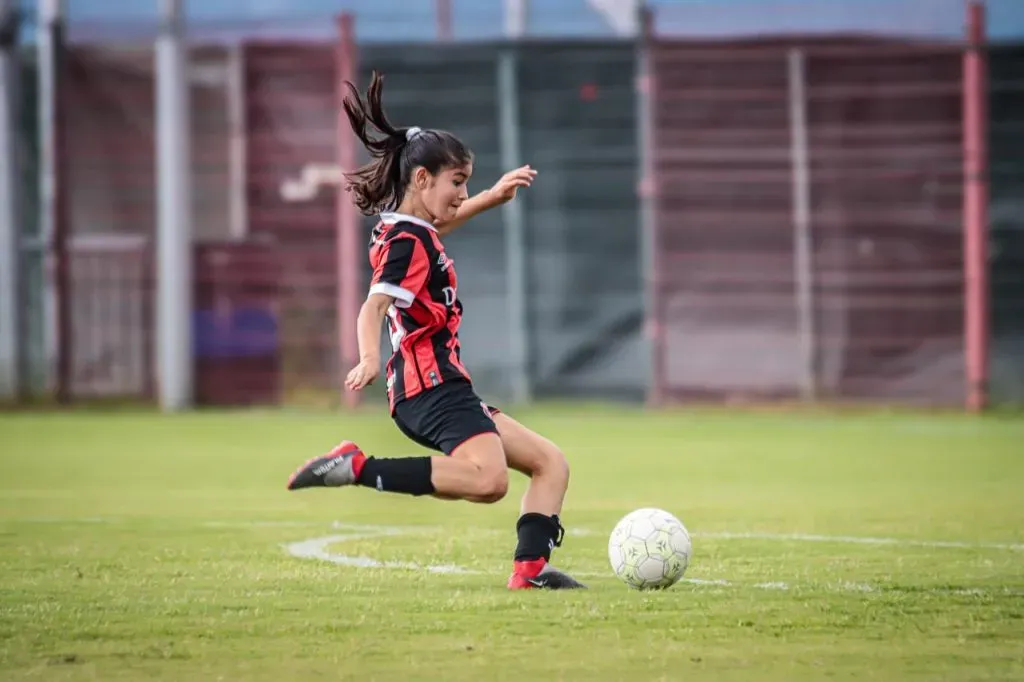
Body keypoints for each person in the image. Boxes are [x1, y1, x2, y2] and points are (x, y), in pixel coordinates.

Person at [285, 71, 585, 590]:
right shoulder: (406, 243)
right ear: (421, 180)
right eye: (457, 182)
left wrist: (488, 198)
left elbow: (438, 225)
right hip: (430, 387)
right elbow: (373, 305)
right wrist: (369, 357)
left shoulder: (407, 227)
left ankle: (530, 573)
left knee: (549, 463)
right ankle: (358, 467)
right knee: (489, 481)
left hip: (440, 384)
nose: (461, 191)